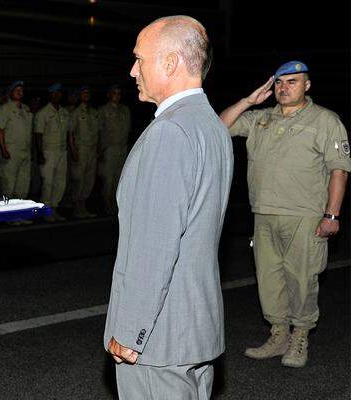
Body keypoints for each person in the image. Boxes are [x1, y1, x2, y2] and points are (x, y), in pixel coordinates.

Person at [104, 16, 232, 399]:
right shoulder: (210, 124)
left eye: (139, 59)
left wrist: (132, 329)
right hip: (194, 328)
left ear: (171, 63)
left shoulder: (170, 132)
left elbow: (155, 244)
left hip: (160, 338)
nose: (132, 70)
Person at [220, 61, 351, 368]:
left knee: (302, 279)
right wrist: (246, 102)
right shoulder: (260, 118)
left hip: (305, 215)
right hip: (263, 212)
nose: (284, 87)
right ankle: (278, 335)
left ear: (307, 85)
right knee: (269, 279)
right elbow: (219, 127)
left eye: (292, 82)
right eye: (279, 83)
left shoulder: (325, 120)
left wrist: (331, 215)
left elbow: (339, 170)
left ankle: (299, 337)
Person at [34, 83, 70, 222]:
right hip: (48, 151)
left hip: (62, 151)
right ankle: (46, 210)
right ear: (50, 95)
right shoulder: (43, 113)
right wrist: (40, 154)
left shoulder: (64, 112)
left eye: (59, 93)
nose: (57, 95)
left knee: (60, 182)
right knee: (48, 182)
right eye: (54, 93)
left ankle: (54, 208)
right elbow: (38, 135)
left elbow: (67, 133)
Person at [0, 80, 33, 205]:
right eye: (16, 90)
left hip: (25, 151)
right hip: (11, 150)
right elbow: (0, 131)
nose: (19, 92)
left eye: (21, 90)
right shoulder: (5, 109)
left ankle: (19, 213)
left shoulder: (26, 109)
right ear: (10, 93)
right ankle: (8, 214)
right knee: (9, 184)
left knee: (23, 184)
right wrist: (4, 149)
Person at [98, 84, 131, 215]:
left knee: (119, 178)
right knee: (108, 178)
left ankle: (115, 203)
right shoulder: (103, 110)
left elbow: (128, 129)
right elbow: (99, 131)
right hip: (109, 148)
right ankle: (107, 204)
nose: (116, 96)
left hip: (122, 148)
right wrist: (100, 150)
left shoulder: (125, 110)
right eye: (114, 93)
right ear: (109, 95)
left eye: (118, 93)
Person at [68, 85, 100, 218]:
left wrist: (98, 148)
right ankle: (77, 207)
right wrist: (74, 150)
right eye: (83, 93)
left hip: (92, 150)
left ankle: (83, 205)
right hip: (81, 149)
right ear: (80, 96)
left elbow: (98, 132)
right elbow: (70, 133)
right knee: (79, 178)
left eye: (88, 93)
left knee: (89, 179)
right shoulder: (76, 112)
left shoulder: (94, 112)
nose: (86, 95)